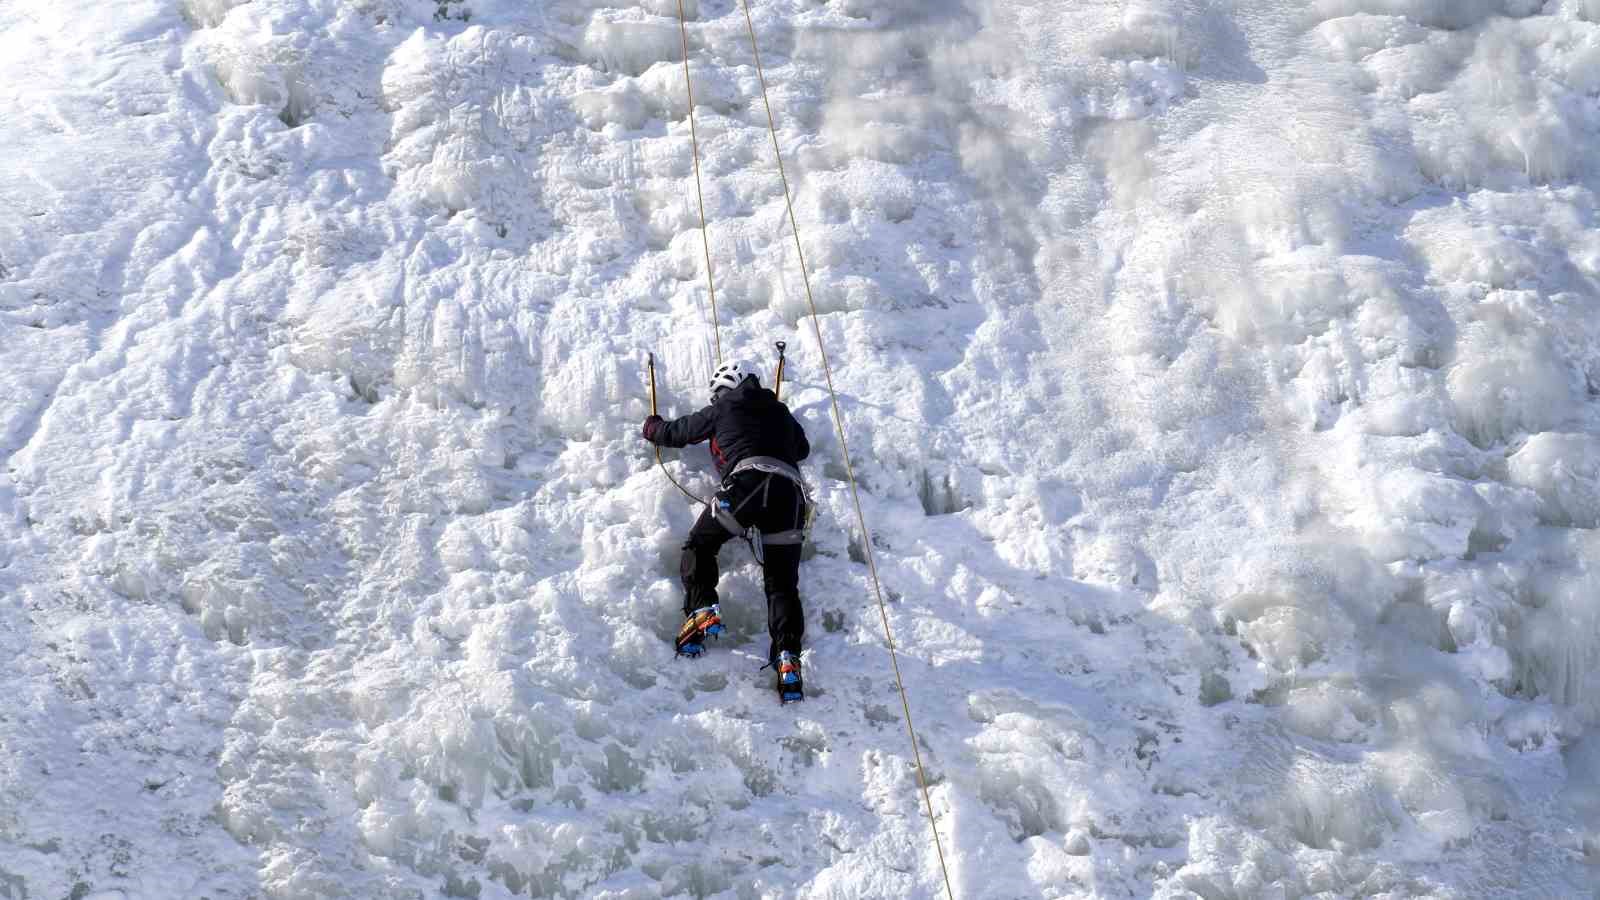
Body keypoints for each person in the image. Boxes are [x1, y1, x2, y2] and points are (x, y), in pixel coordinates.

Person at [641, 360, 812, 702]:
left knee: (700, 546)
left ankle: (703, 608)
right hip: (790, 497)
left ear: (725, 389)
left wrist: (652, 427)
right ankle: (787, 657)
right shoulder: (781, 411)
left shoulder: (723, 408)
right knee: (782, 584)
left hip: (747, 485)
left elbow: (679, 433)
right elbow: (802, 449)